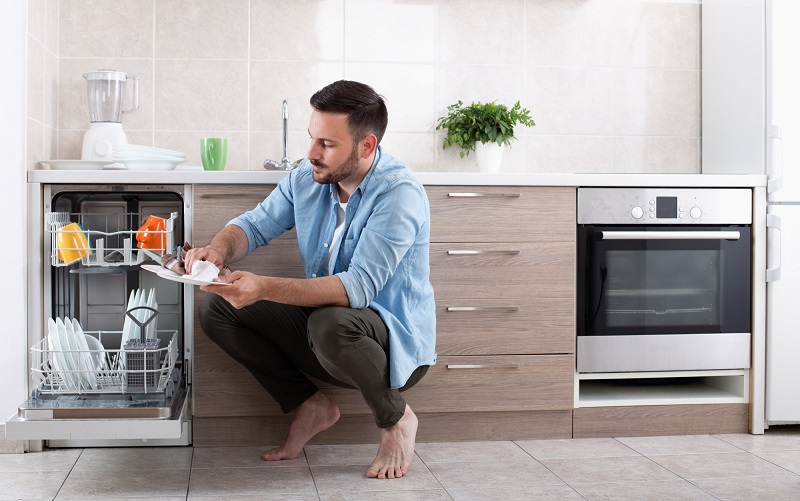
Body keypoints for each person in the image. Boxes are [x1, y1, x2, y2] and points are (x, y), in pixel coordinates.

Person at [185, 80, 436, 479]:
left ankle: (396, 420)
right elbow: (253, 225)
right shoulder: (309, 176)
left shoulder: (397, 192)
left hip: (390, 344)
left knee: (330, 320)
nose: (311, 154)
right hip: (328, 334)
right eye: (311, 139)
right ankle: (309, 405)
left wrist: (263, 287)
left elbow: (356, 289)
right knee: (218, 306)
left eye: (327, 144)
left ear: (366, 146)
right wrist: (218, 251)